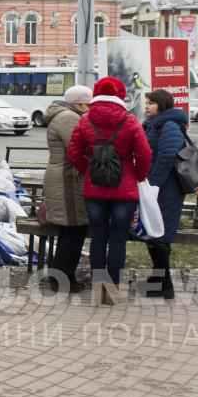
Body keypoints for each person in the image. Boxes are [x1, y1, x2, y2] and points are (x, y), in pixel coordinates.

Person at [68, 77, 152, 304]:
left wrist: (88, 170)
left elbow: (74, 152)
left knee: (98, 237)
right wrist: (138, 175)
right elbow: (144, 153)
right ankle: (112, 289)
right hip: (124, 191)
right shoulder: (130, 120)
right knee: (118, 239)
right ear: (121, 95)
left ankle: (98, 288)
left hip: (94, 190)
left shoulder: (85, 120)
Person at [43, 85, 93, 293]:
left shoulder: (65, 115)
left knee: (70, 231)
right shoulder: (68, 118)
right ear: (80, 104)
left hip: (66, 178)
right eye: (89, 104)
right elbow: (79, 148)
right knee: (73, 230)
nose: (91, 108)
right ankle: (62, 279)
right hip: (67, 180)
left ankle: (62, 276)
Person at [142, 90, 189, 299]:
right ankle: (158, 280)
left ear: (162, 105)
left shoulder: (169, 125)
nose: (147, 106)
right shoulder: (155, 123)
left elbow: (168, 154)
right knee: (154, 233)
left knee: (160, 234)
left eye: (151, 103)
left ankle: (165, 285)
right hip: (158, 187)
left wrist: (153, 184)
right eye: (146, 103)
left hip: (166, 189)